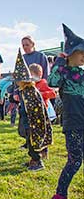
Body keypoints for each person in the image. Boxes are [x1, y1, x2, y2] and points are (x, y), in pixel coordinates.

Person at [49, 24, 84, 199]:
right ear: (71, 53)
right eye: (81, 52)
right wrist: (60, 61)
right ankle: (60, 194)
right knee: (75, 161)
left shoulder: (82, 74)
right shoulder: (63, 72)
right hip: (74, 124)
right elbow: (52, 81)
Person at [13, 48, 52, 171]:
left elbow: (35, 108)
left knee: (34, 142)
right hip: (28, 120)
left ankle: (37, 161)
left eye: (18, 80)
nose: (17, 82)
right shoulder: (24, 90)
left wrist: (32, 123)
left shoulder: (30, 90)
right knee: (29, 142)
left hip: (34, 122)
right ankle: (33, 159)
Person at [29, 63, 56, 160]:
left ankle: (45, 151)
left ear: (39, 74)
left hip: (44, 113)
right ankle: (38, 150)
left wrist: (42, 94)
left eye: (32, 75)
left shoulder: (43, 83)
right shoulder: (31, 84)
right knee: (36, 132)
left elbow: (53, 93)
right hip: (34, 113)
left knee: (43, 132)